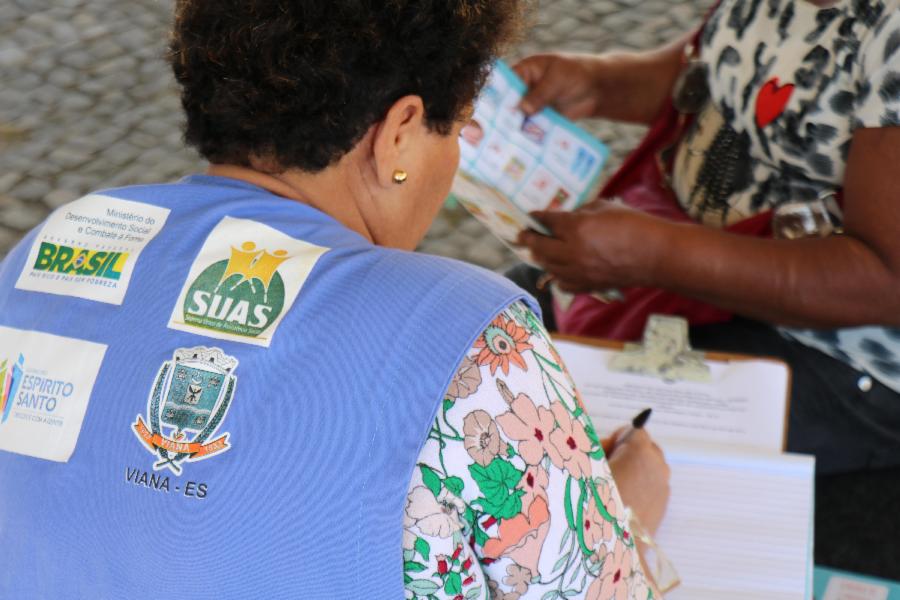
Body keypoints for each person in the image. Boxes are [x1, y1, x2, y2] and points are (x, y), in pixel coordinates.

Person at [0, 1, 670, 598]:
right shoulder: (478, 345)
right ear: (400, 131)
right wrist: (620, 512)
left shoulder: (53, 246)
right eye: (460, 128)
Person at [515, 0, 900, 474]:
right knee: (491, 336)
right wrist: (597, 82)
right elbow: (718, 74)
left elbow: (884, 278)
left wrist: (655, 254)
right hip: (688, 277)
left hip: (833, 352)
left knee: (575, 450)